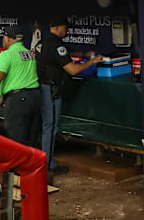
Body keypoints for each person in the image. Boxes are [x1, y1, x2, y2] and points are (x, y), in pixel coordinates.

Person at [35, 16, 103, 175]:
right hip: (51, 91)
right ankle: (48, 166)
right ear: (57, 28)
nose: (66, 30)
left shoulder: (43, 42)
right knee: (50, 128)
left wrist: (83, 53)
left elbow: (62, 53)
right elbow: (73, 70)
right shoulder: (56, 45)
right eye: (65, 28)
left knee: (47, 127)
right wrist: (92, 62)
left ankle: (47, 162)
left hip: (43, 87)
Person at [0, 26, 41, 148]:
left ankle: (17, 167)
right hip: (36, 98)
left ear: (7, 39)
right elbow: (21, 80)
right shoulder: (29, 54)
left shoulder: (6, 55)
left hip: (19, 102)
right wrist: (3, 98)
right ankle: (31, 166)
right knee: (31, 138)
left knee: (16, 139)